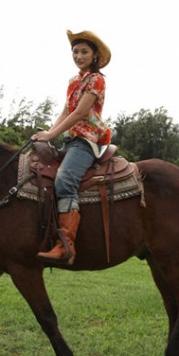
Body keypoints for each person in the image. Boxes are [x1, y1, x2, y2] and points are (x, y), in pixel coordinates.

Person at [31, 29, 112, 265]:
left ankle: (66, 245)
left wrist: (51, 133)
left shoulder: (97, 80)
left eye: (84, 51)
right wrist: (47, 135)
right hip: (70, 139)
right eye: (75, 51)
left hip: (88, 140)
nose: (79, 55)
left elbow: (80, 113)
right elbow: (66, 110)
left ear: (94, 55)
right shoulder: (74, 81)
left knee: (65, 179)